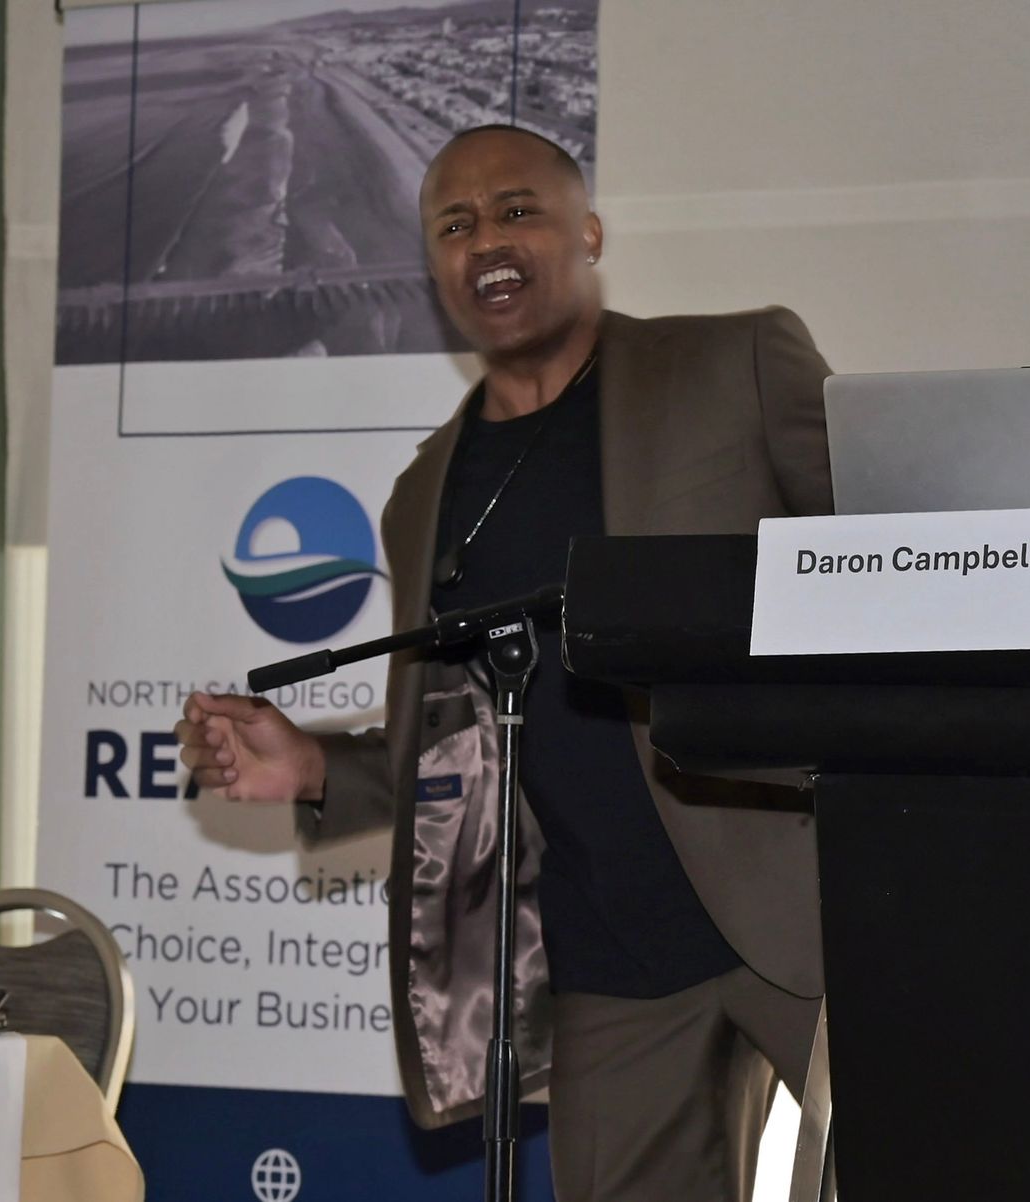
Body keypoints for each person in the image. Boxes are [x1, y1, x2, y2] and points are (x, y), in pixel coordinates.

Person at [176, 124, 832, 1201]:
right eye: (455, 224)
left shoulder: (736, 363)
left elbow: (889, 580)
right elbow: (460, 747)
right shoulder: (423, 495)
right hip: (606, 960)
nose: (487, 238)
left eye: (518, 209)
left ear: (589, 232)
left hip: (806, 911)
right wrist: (313, 768)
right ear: (435, 267)